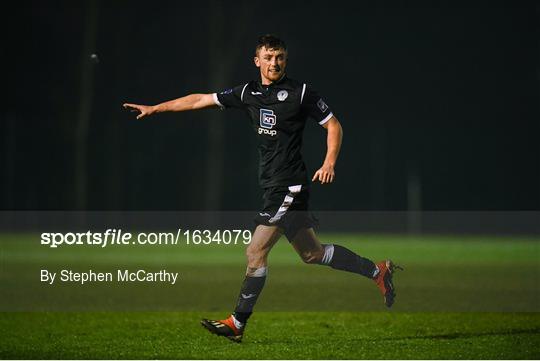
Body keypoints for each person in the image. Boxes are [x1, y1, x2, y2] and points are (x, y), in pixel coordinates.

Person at [124, 34, 401, 343]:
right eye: (268, 57)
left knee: (255, 252)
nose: (275, 62)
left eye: (280, 56)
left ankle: (237, 323)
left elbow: (333, 125)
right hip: (273, 186)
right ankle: (377, 271)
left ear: (286, 59)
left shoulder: (301, 92)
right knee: (312, 254)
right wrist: (156, 108)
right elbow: (201, 99)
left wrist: (329, 162)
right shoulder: (247, 93)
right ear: (257, 61)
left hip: (290, 186)